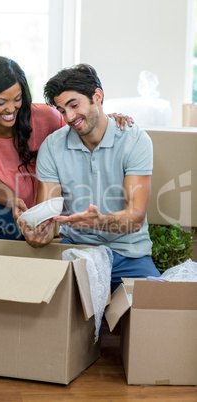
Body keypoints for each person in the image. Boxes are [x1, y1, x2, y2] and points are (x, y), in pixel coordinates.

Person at [0, 56, 130, 240]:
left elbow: (80, 128)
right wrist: (14, 202)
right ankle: (34, 233)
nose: (11, 109)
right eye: (1, 102)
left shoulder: (45, 117)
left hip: (34, 205)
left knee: (26, 228)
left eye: (17, 99)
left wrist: (103, 119)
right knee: (14, 223)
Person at [19, 63, 160, 291]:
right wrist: (37, 232)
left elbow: (135, 218)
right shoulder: (53, 147)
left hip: (128, 254)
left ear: (97, 96)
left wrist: (100, 222)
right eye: (62, 110)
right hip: (76, 251)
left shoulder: (135, 140)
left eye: (74, 105)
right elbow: (48, 213)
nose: (69, 117)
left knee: (155, 314)